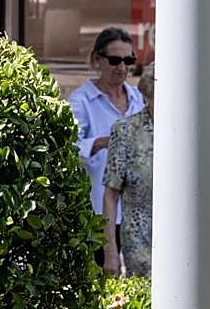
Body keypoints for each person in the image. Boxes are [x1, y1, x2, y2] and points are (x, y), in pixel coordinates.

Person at [67, 26, 146, 268]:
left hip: (137, 212)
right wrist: (101, 143)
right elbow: (68, 148)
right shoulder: (80, 101)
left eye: (128, 60)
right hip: (97, 210)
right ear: (97, 60)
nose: (122, 67)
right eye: (114, 60)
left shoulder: (139, 99)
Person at [102, 64, 156, 277]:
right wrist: (111, 252)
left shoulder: (191, 132)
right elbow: (110, 195)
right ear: (145, 96)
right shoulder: (125, 131)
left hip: (186, 240)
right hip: (140, 243)